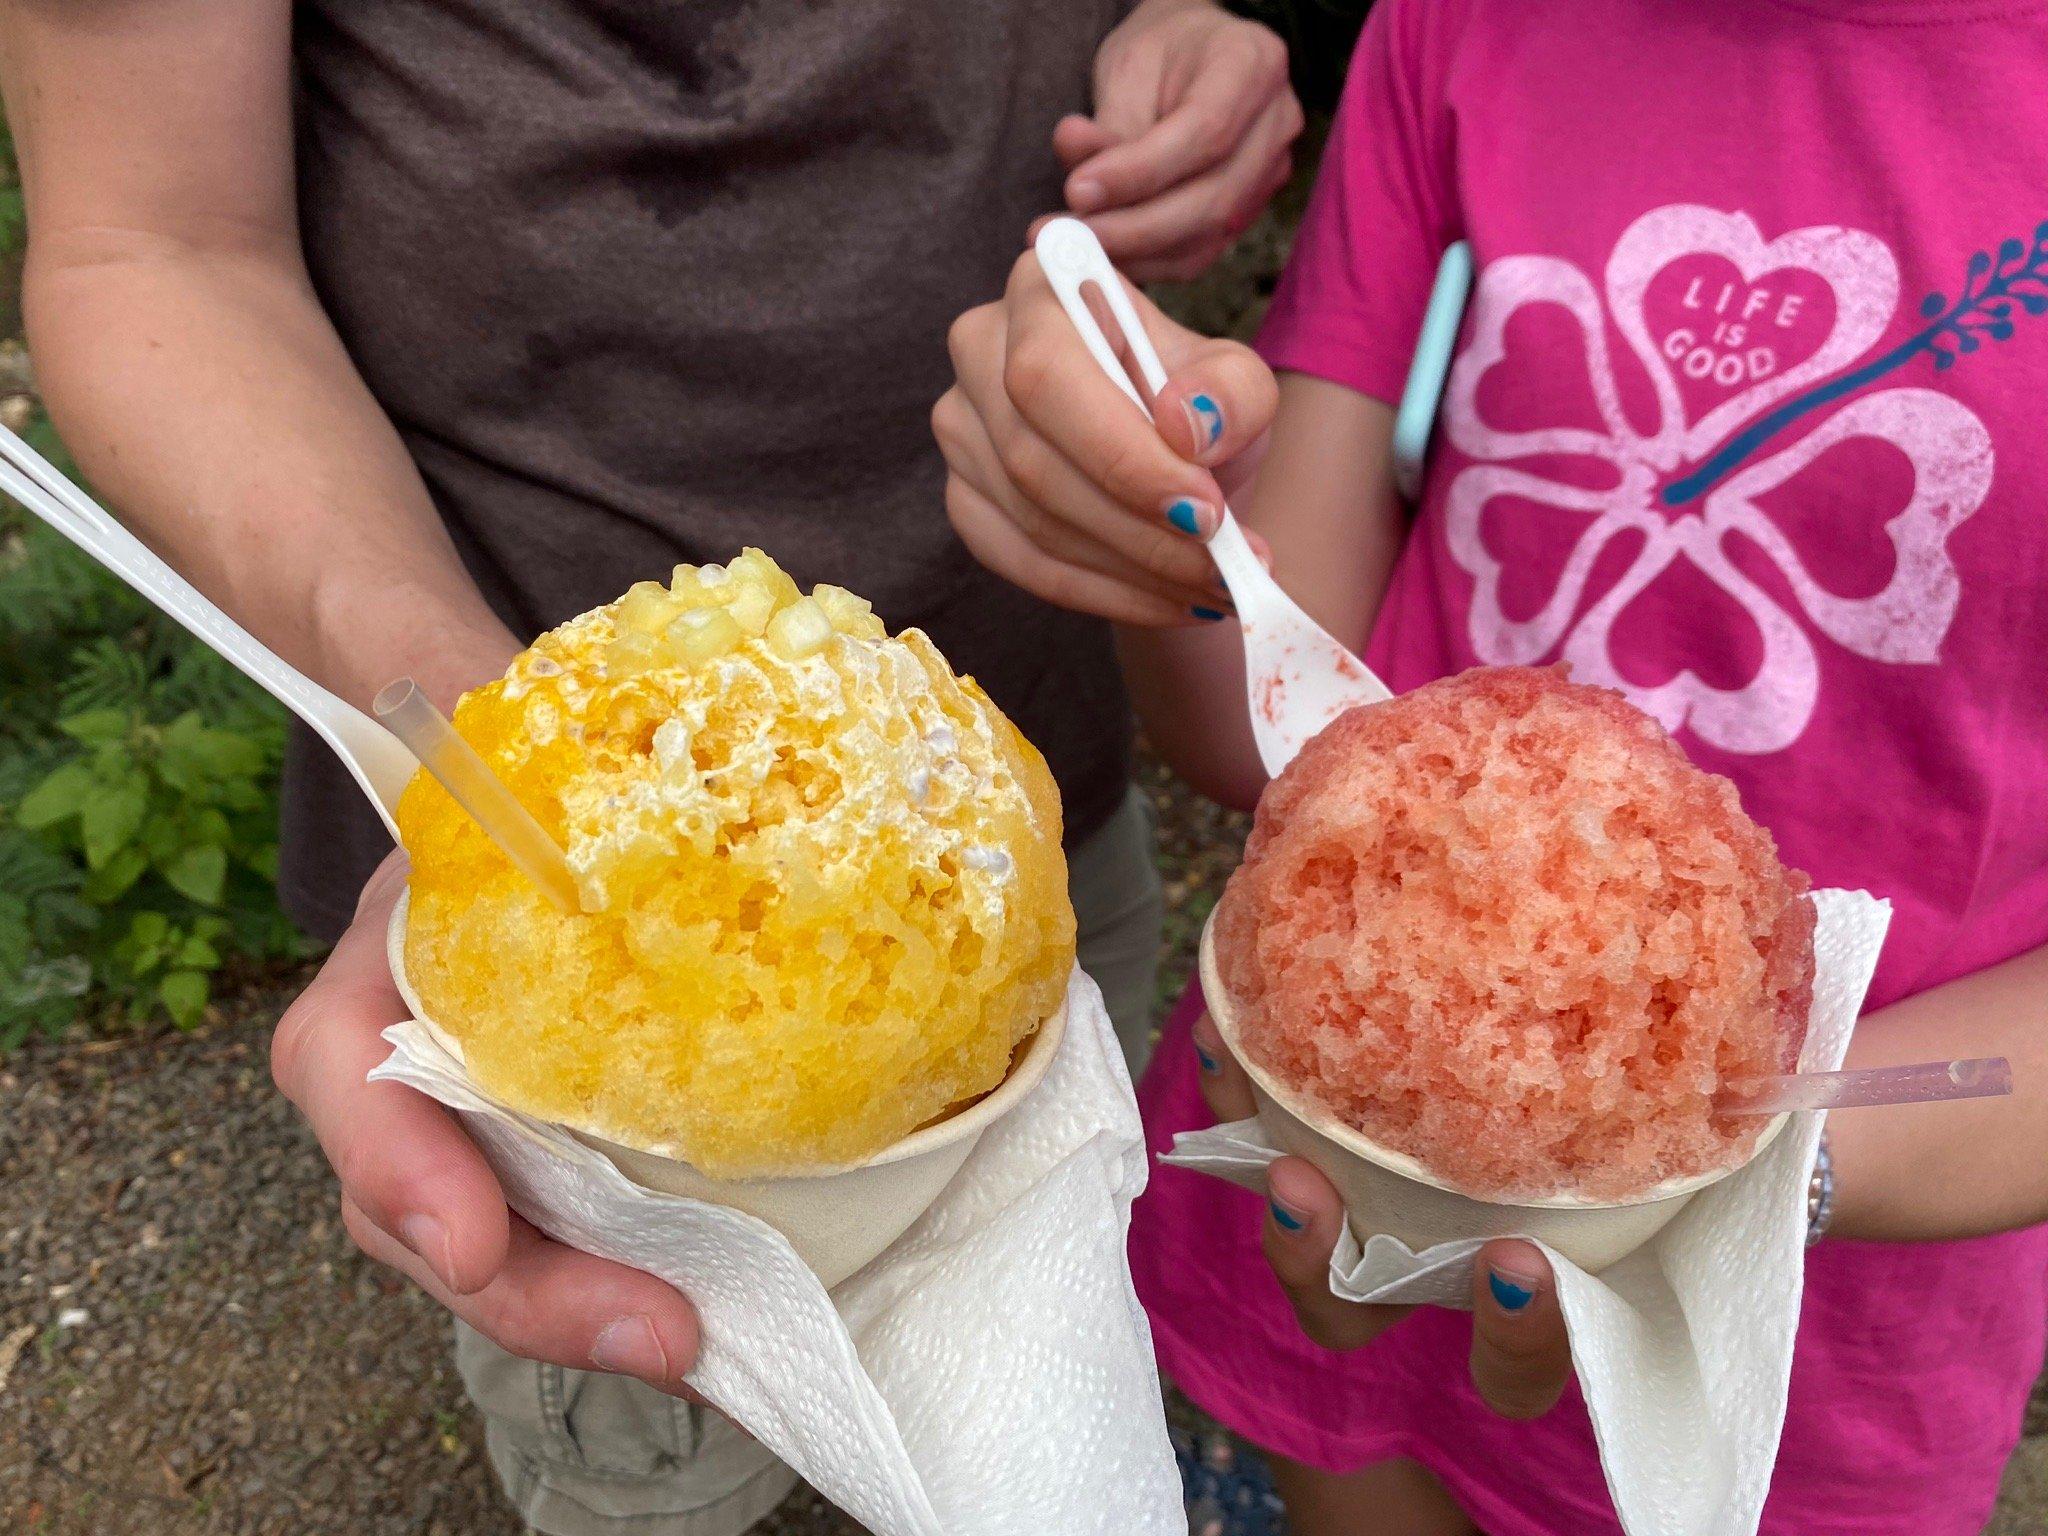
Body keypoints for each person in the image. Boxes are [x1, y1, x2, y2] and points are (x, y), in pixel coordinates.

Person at [0, 0, 1300, 1531]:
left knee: (1035, 1375)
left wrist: (1171, 37)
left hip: (1020, 829)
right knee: (655, 1467)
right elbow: (149, 244)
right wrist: (465, 716)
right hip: (577, 986)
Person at [933, 0, 2048, 1530]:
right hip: (1341, 1190)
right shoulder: (1461, 28)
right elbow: (1279, 739)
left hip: (1833, 1333)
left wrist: (1719, 1189)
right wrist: (1170, 528)